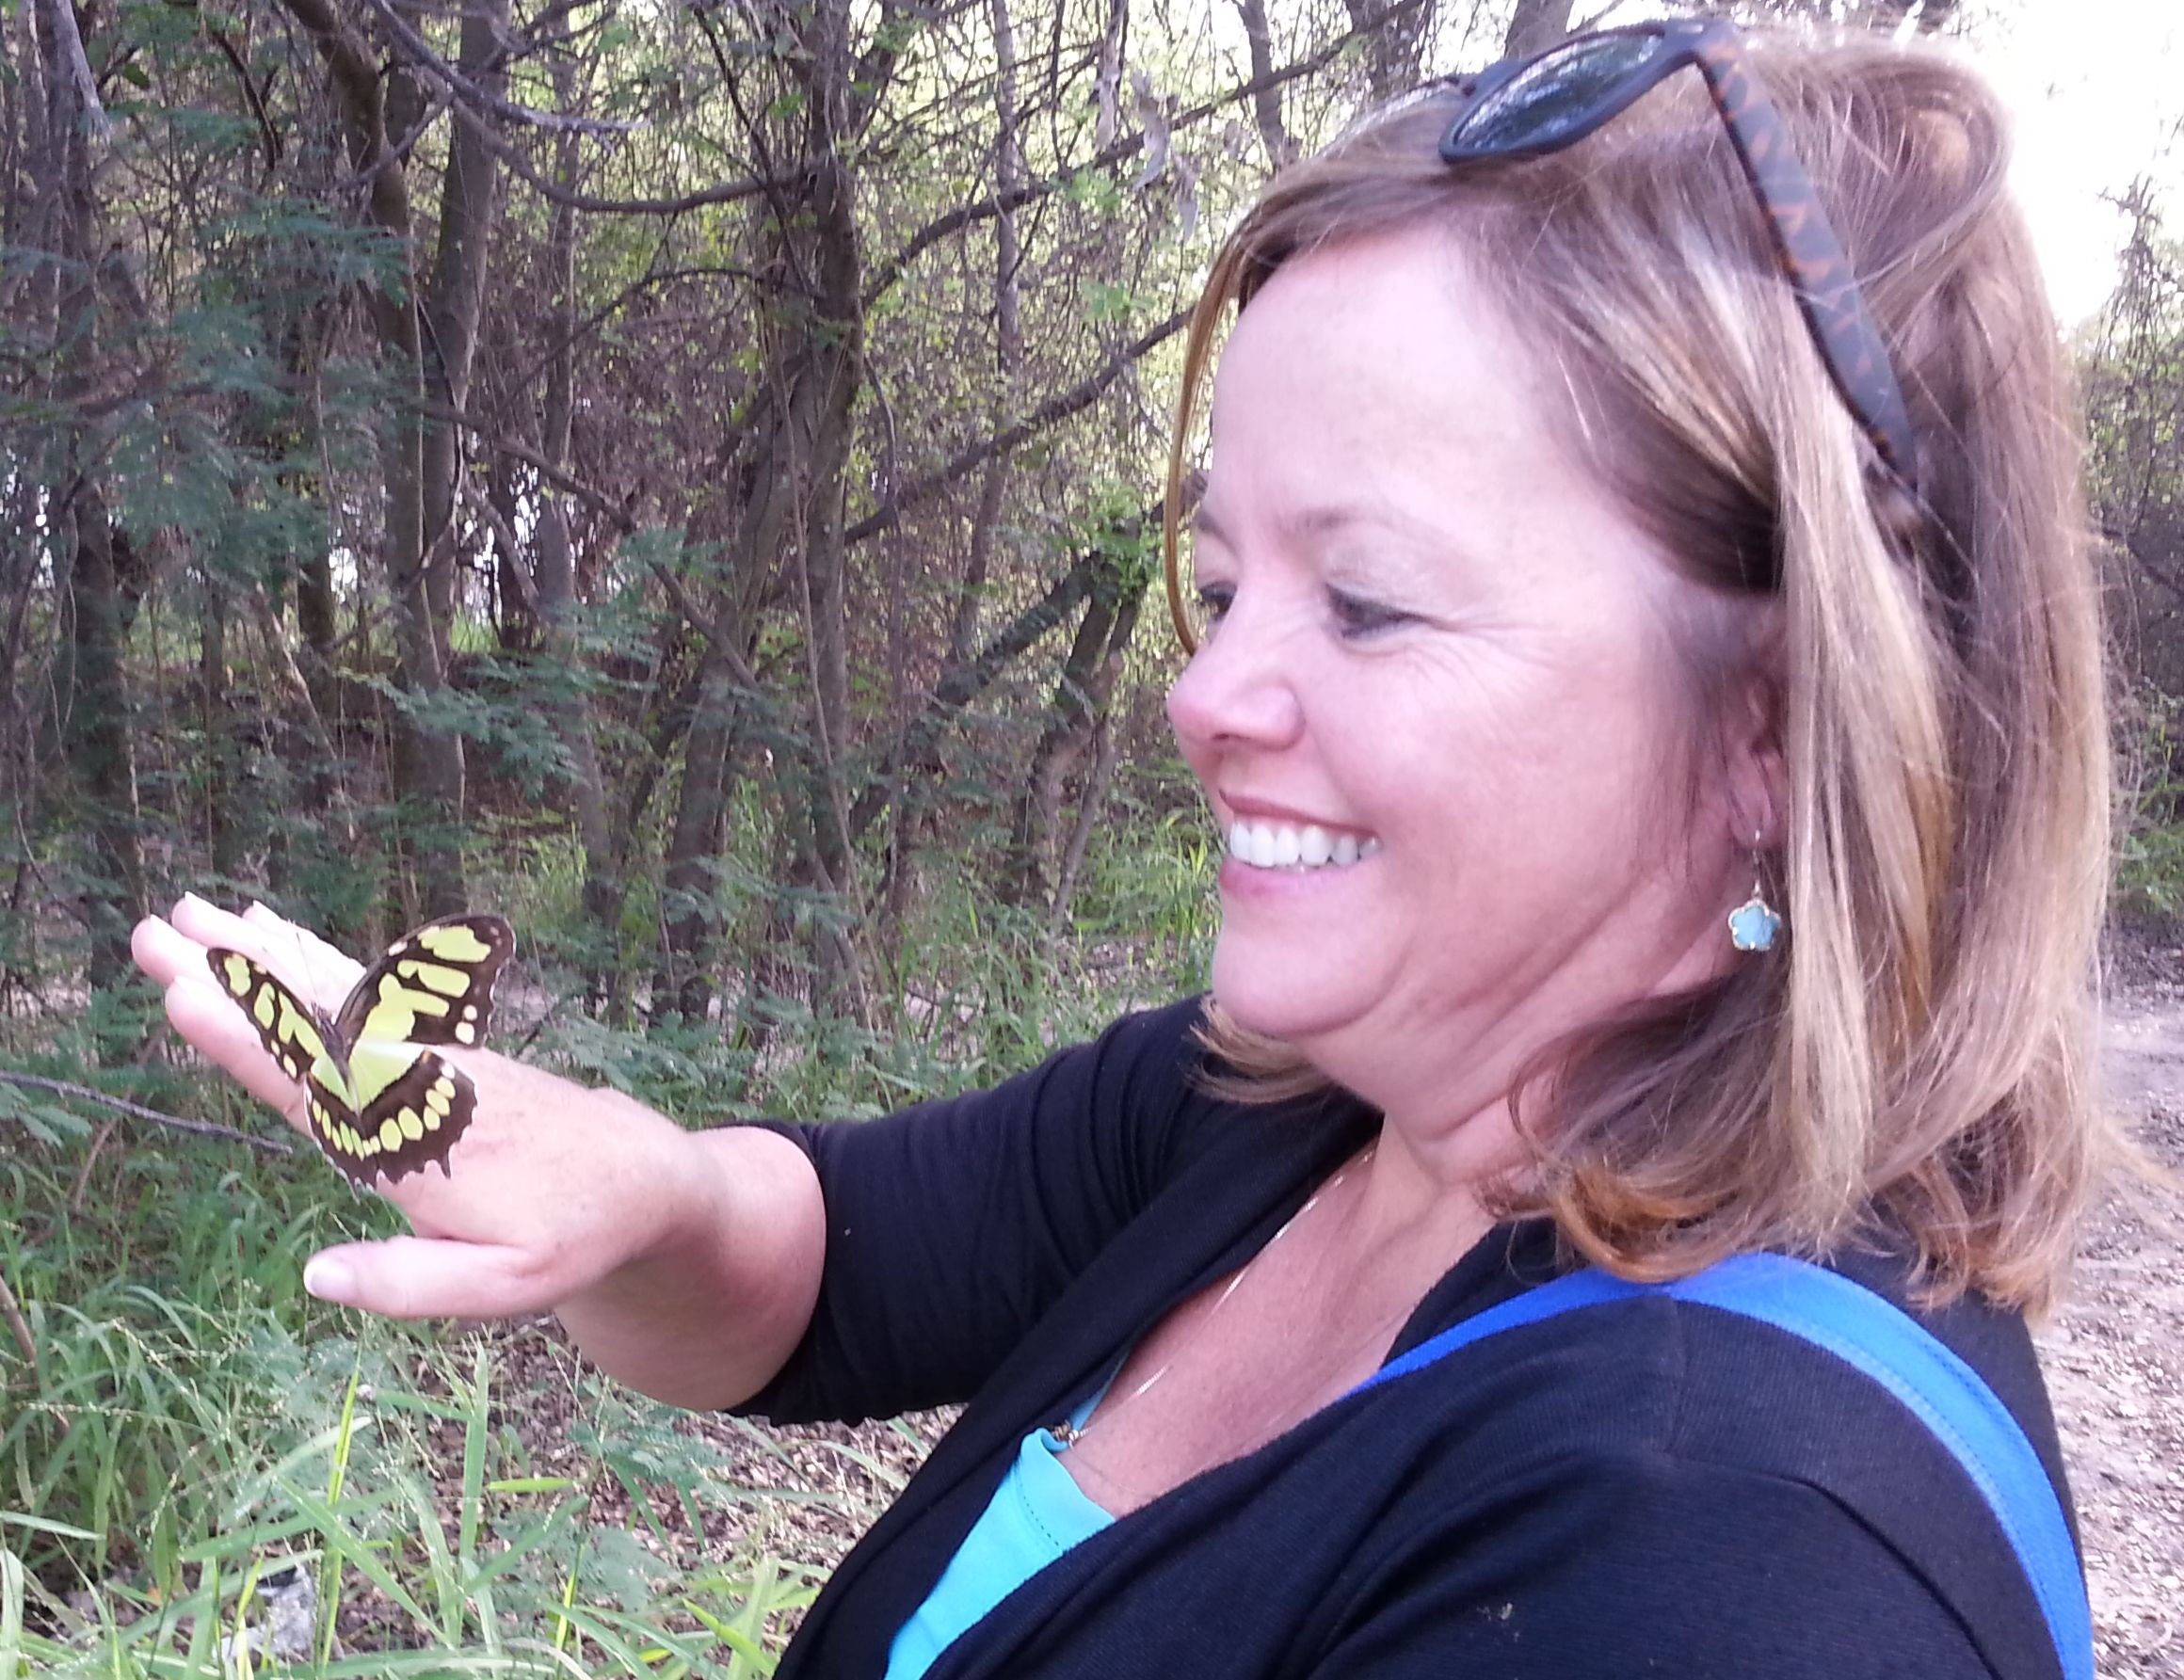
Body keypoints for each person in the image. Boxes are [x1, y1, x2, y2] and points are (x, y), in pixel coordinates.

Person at [133, 18, 2108, 1679]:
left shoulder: (1722, 1561)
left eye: (1367, 603)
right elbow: (822, 1266)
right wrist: (632, 1192)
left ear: (1770, 725)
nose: (1203, 693)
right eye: (1227, 577)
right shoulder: (1311, 1109)